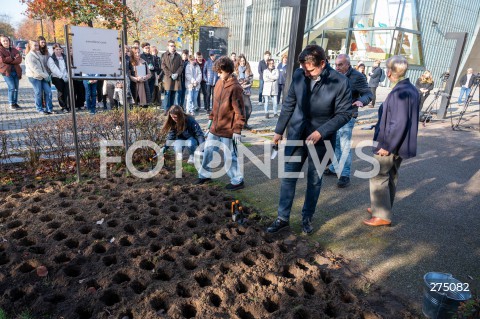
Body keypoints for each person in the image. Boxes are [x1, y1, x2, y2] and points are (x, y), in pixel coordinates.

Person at [266, 45, 352, 234]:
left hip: (322, 140)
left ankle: (307, 218)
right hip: (297, 134)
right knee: (288, 177)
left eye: (310, 70)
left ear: (322, 63)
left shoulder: (340, 82)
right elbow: (289, 103)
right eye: (304, 68)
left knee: (314, 180)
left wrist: (322, 131)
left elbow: (344, 114)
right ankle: (282, 218)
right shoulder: (299, 74)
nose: (306, 72)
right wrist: (278, 131)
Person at [364, 55, 420, 227]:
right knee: (391, 174)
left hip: (391, 143)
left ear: (389, 72)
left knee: (378, 175)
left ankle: (381, 214)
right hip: (401, 142)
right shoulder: (412, 89)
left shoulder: (400, 92)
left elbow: (398, 122)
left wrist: (387, 146)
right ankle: (381, 207)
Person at [195, 56, 246, 191]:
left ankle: (237, 180)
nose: (218, 74)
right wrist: (211, 118)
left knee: (230, 155)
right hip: (215, 127)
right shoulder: (218, 83)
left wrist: (237, 129)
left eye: (220, 72)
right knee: (209, 152)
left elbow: (240, 111)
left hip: (228, 130)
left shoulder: (235, 88)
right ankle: (205, 174)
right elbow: (215, 104)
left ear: (228, 70)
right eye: (217, 72)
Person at [324, 54, 372, 188]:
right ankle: (334, 168)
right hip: (334, 115)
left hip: (348, 115)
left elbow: (368, 94)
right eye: (336, 64)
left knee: (344, 145)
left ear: (348, 64)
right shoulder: (334, 74)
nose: (337, 67)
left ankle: (345, 175)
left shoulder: (357, 76)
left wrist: (361, 101)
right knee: (336, 143)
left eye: (340, 65)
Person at [25, 40, 54, 114]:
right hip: (34, 77)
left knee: (49, 92)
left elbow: (42, 67)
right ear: (30, 46)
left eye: (37, 45)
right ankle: (39, 109)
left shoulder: (38, 53)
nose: (36, 47)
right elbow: (36, 69)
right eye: (35, 45)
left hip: (42, 76)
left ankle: (49, 109)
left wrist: (47, 75)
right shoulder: (29, 56)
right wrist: (45, 76)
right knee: (38, 93)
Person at [0, 34, 22, 110]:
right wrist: (13, 58)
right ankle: (11, 103)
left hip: (16, 71)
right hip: (6, 72)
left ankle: (15, 103)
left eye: (7, 40)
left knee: (16, 88)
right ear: (1, 42)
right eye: (4, 41)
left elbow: (19, 59)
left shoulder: (14, 49)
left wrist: (9, 60)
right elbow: (2, 60)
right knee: (12, 87)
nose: (6, 42)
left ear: (9, 41)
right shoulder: (0, 50)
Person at [161, 40, 183, 113]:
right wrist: (170, 74)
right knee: (167, 94)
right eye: (171, 46)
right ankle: (166, 110)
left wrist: (177, 73)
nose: (173, 47)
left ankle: (172, 110)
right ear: (168, 47)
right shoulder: (164, 55)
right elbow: (163, 66)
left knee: (173, 94)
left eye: (174, 46)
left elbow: (181, 66)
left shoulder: (178, 56)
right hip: (168, 78)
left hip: (176, 78)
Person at [48, 43, 70, 112]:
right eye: (56, 49)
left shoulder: (65, 57)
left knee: (66, 91)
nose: (58, 51)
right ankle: (63, 106)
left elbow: (69, 66)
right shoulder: (51, 59)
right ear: (54, 50)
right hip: (57, 77)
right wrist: (62, 76)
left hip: (66, 76)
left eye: (59, 49)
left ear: (62, 50)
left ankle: (67, 106)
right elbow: (54, 69)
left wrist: (67, 75)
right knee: (61, 92)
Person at [234, 54, 253, 130]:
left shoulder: (248, 70)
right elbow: (234, 82)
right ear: (238, 62)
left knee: (249, 109)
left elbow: (251, 81)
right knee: (239, 109)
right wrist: (240, 84)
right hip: (237, 92)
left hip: (246, 92)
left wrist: (246, 83)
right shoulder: (235, 71)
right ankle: (239, 124)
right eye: (241, 61)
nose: (242, 62)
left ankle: (245, 123)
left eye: (243, 60)